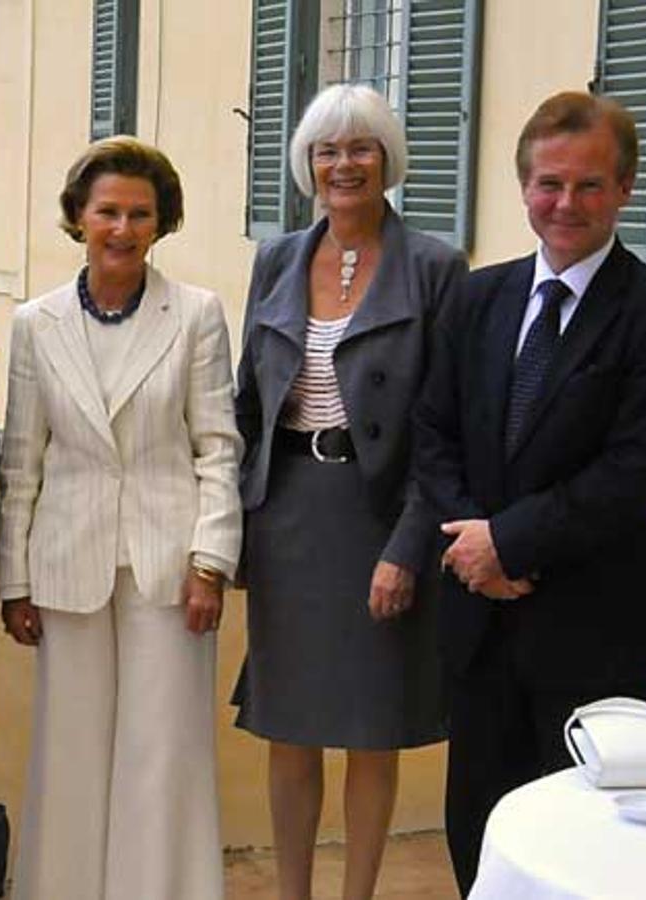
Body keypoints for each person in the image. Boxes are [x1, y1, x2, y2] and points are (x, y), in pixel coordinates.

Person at [414, 90, 646, 896]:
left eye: (588, 185)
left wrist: (506, 544)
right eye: (549, 183)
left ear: (626, 188)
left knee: (592, 856)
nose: (566, 203)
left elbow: (634, 473)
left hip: (596, 633)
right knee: (480, 836)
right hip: (480, 625)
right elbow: (432, 432)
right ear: (524, 187)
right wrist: (474, 551)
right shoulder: (476, 298)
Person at [231, 84, 461, 900]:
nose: (344, 164)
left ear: (387, 158)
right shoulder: (277, 259)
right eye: (326, 150)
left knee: (372, 726)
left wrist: (409, 548)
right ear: (307, 163)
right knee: (289, 727)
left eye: (361, 147)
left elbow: (444, 429)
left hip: (379, 520)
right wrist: (236, 526)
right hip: (286, 516)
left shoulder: (433, 266)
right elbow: (248, 404)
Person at [0, 136, 242, 899]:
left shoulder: (196, 314)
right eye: (108, 211)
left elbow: (218, 448)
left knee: (161, 752)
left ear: (162, 222)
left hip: (170, 568)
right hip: (67, 563)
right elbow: (21, 460)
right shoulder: (36, 322)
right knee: (69, 753)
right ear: (79, 216)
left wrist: (211, 563)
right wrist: (13, 582)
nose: (123, 229)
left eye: (140, 214)